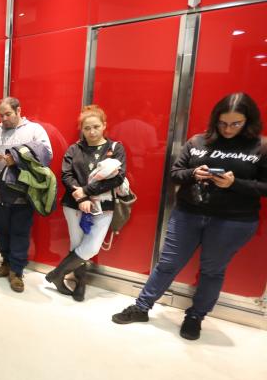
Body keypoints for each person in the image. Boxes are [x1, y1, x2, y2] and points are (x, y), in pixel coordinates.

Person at [112, 92, 266, 340]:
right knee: (167, 264)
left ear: (248, 121)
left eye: (236, 123)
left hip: (234, 221)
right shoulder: (198, 142)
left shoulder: (261, 146)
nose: (228, 129)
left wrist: (235, 184)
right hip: (188, 214)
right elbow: (175, 174)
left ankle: (195, 316)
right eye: (223, 123)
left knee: (212, 271)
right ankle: (141, 307)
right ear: (215, 119)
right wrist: (194, 173)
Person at [46, 105, 126, 302]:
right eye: (87, 128)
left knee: (90, 248)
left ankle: (57, 274)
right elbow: (66, 175)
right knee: (77, 244)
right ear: (81, 129)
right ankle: (80, 283)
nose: (91, 132)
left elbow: (118, 178)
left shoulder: (115, 148)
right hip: (74, 205)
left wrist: (87, 192)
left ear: (104, 126)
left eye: (96, 127)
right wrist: (81, 197)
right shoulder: (74, 148)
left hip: (103, 206)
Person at [0, 97, 52, 293]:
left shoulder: (35, 130)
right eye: (0, 115)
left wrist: (18, 159)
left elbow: (46, 156)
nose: (4, 119)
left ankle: (17, 271)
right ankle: (6, 262)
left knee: (20, 232)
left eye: (8, 114)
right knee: (2, 231)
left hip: (23, 194)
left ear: (19, 110)